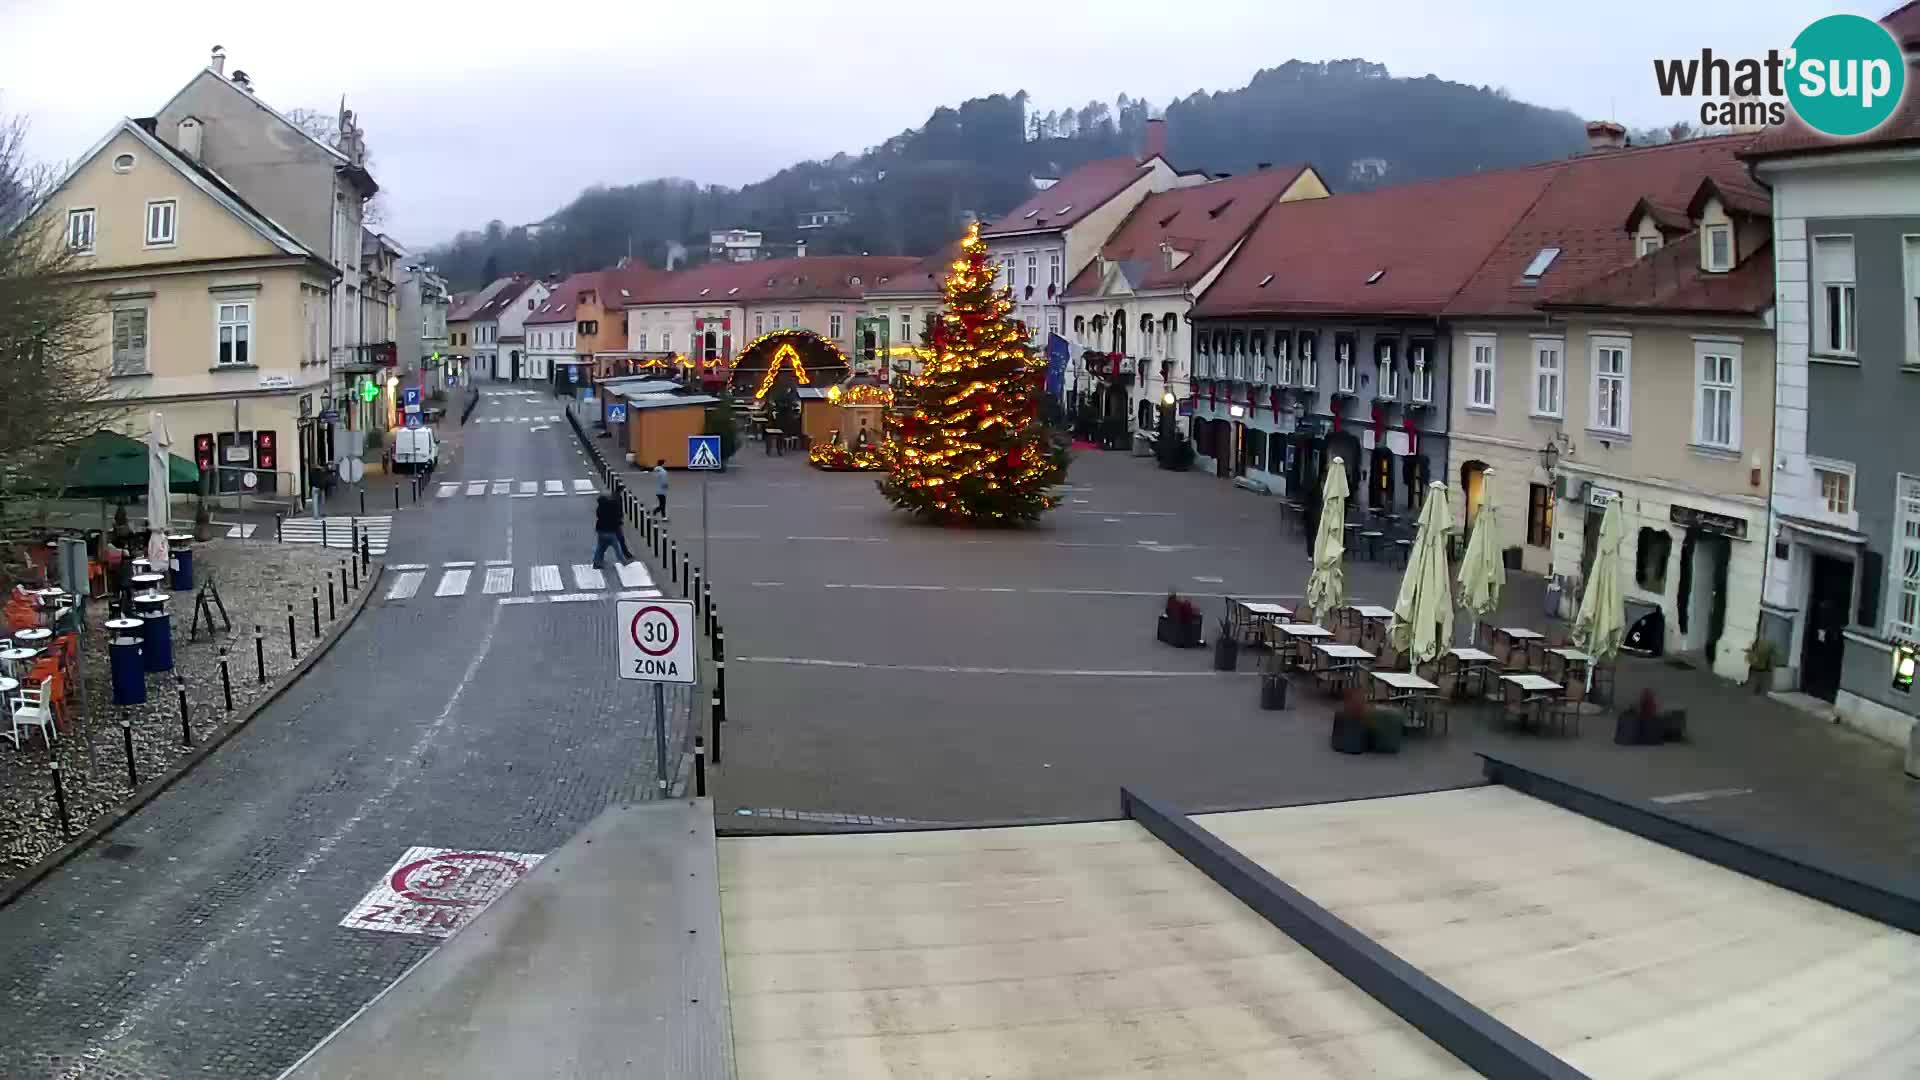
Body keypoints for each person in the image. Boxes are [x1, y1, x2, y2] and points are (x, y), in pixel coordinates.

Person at [591, 492, 625, 570]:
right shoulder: (612, 508)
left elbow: (598, 516)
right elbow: (616, 519)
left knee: (601, 546)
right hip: (610, 531)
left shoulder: (600, 508)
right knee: (617, 547)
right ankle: (623, 561)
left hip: (600, 530)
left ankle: (597, 562)